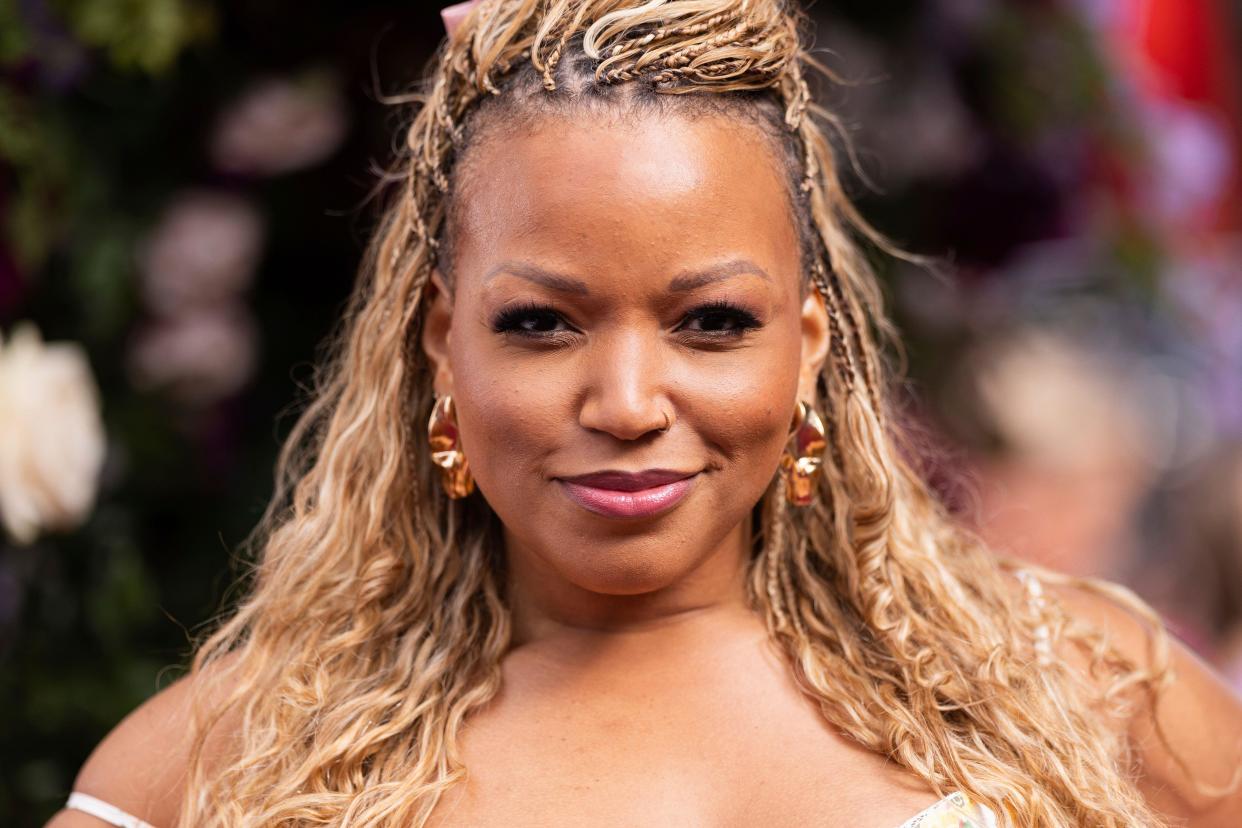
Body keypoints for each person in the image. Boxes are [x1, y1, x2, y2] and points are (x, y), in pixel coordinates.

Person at [48, 0, 1242, 825]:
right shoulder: (229, 765)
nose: (626, 404)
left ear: (810, 346)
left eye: (712, 322)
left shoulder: (1085, 687)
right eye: (540, 324)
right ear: (438, 343)